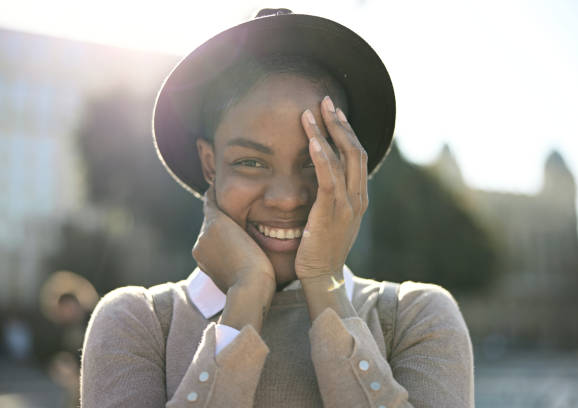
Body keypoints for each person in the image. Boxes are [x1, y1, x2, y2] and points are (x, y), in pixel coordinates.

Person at [80, 8, 474, 408]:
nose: (286, 198)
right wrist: (244, 301)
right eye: (251, 162)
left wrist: (325, 282)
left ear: (349, 167)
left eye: (315, 162)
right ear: (210, 165)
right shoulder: (138, 323)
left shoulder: (415, 318)